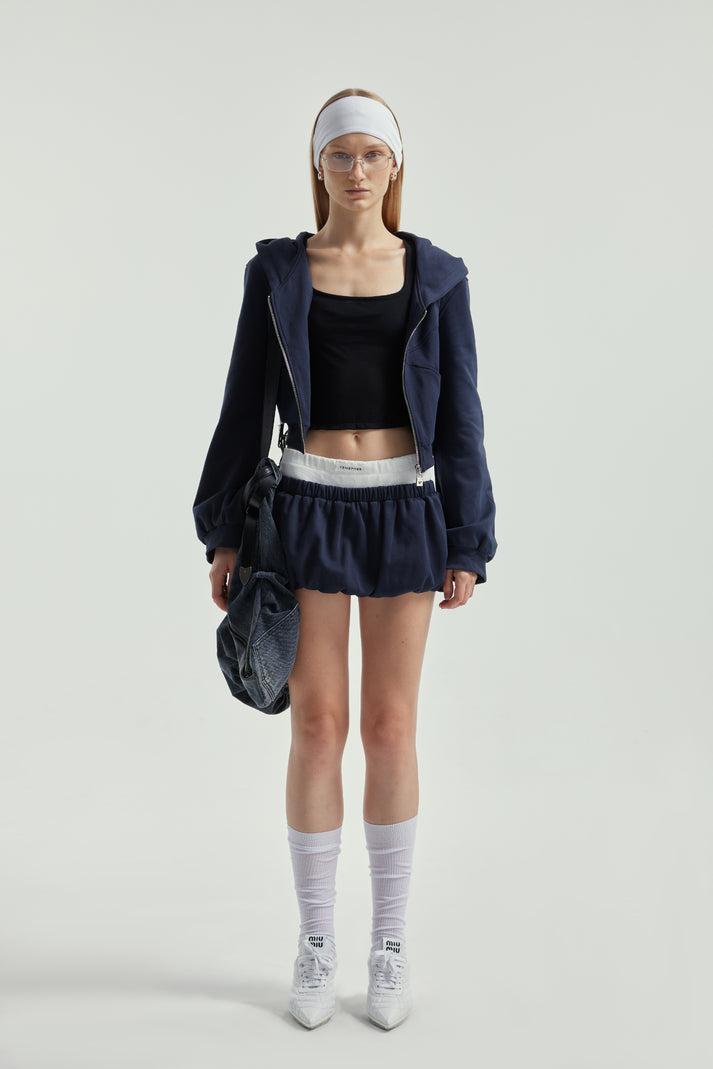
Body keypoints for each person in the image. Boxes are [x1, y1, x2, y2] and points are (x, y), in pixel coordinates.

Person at [192, 88, 497, 1030]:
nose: (357, 171)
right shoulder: (279, 271)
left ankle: (389, 943)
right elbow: (244, 400)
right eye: (340, 155)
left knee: (391, 726)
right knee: (318, 726)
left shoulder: (436, 275)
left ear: (394, 166)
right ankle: (317, 938)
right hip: (306, 506)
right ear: (317, 165)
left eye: (372, 154)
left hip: (404, 507)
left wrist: (467, 537)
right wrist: (225, 529)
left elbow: (462, 415)